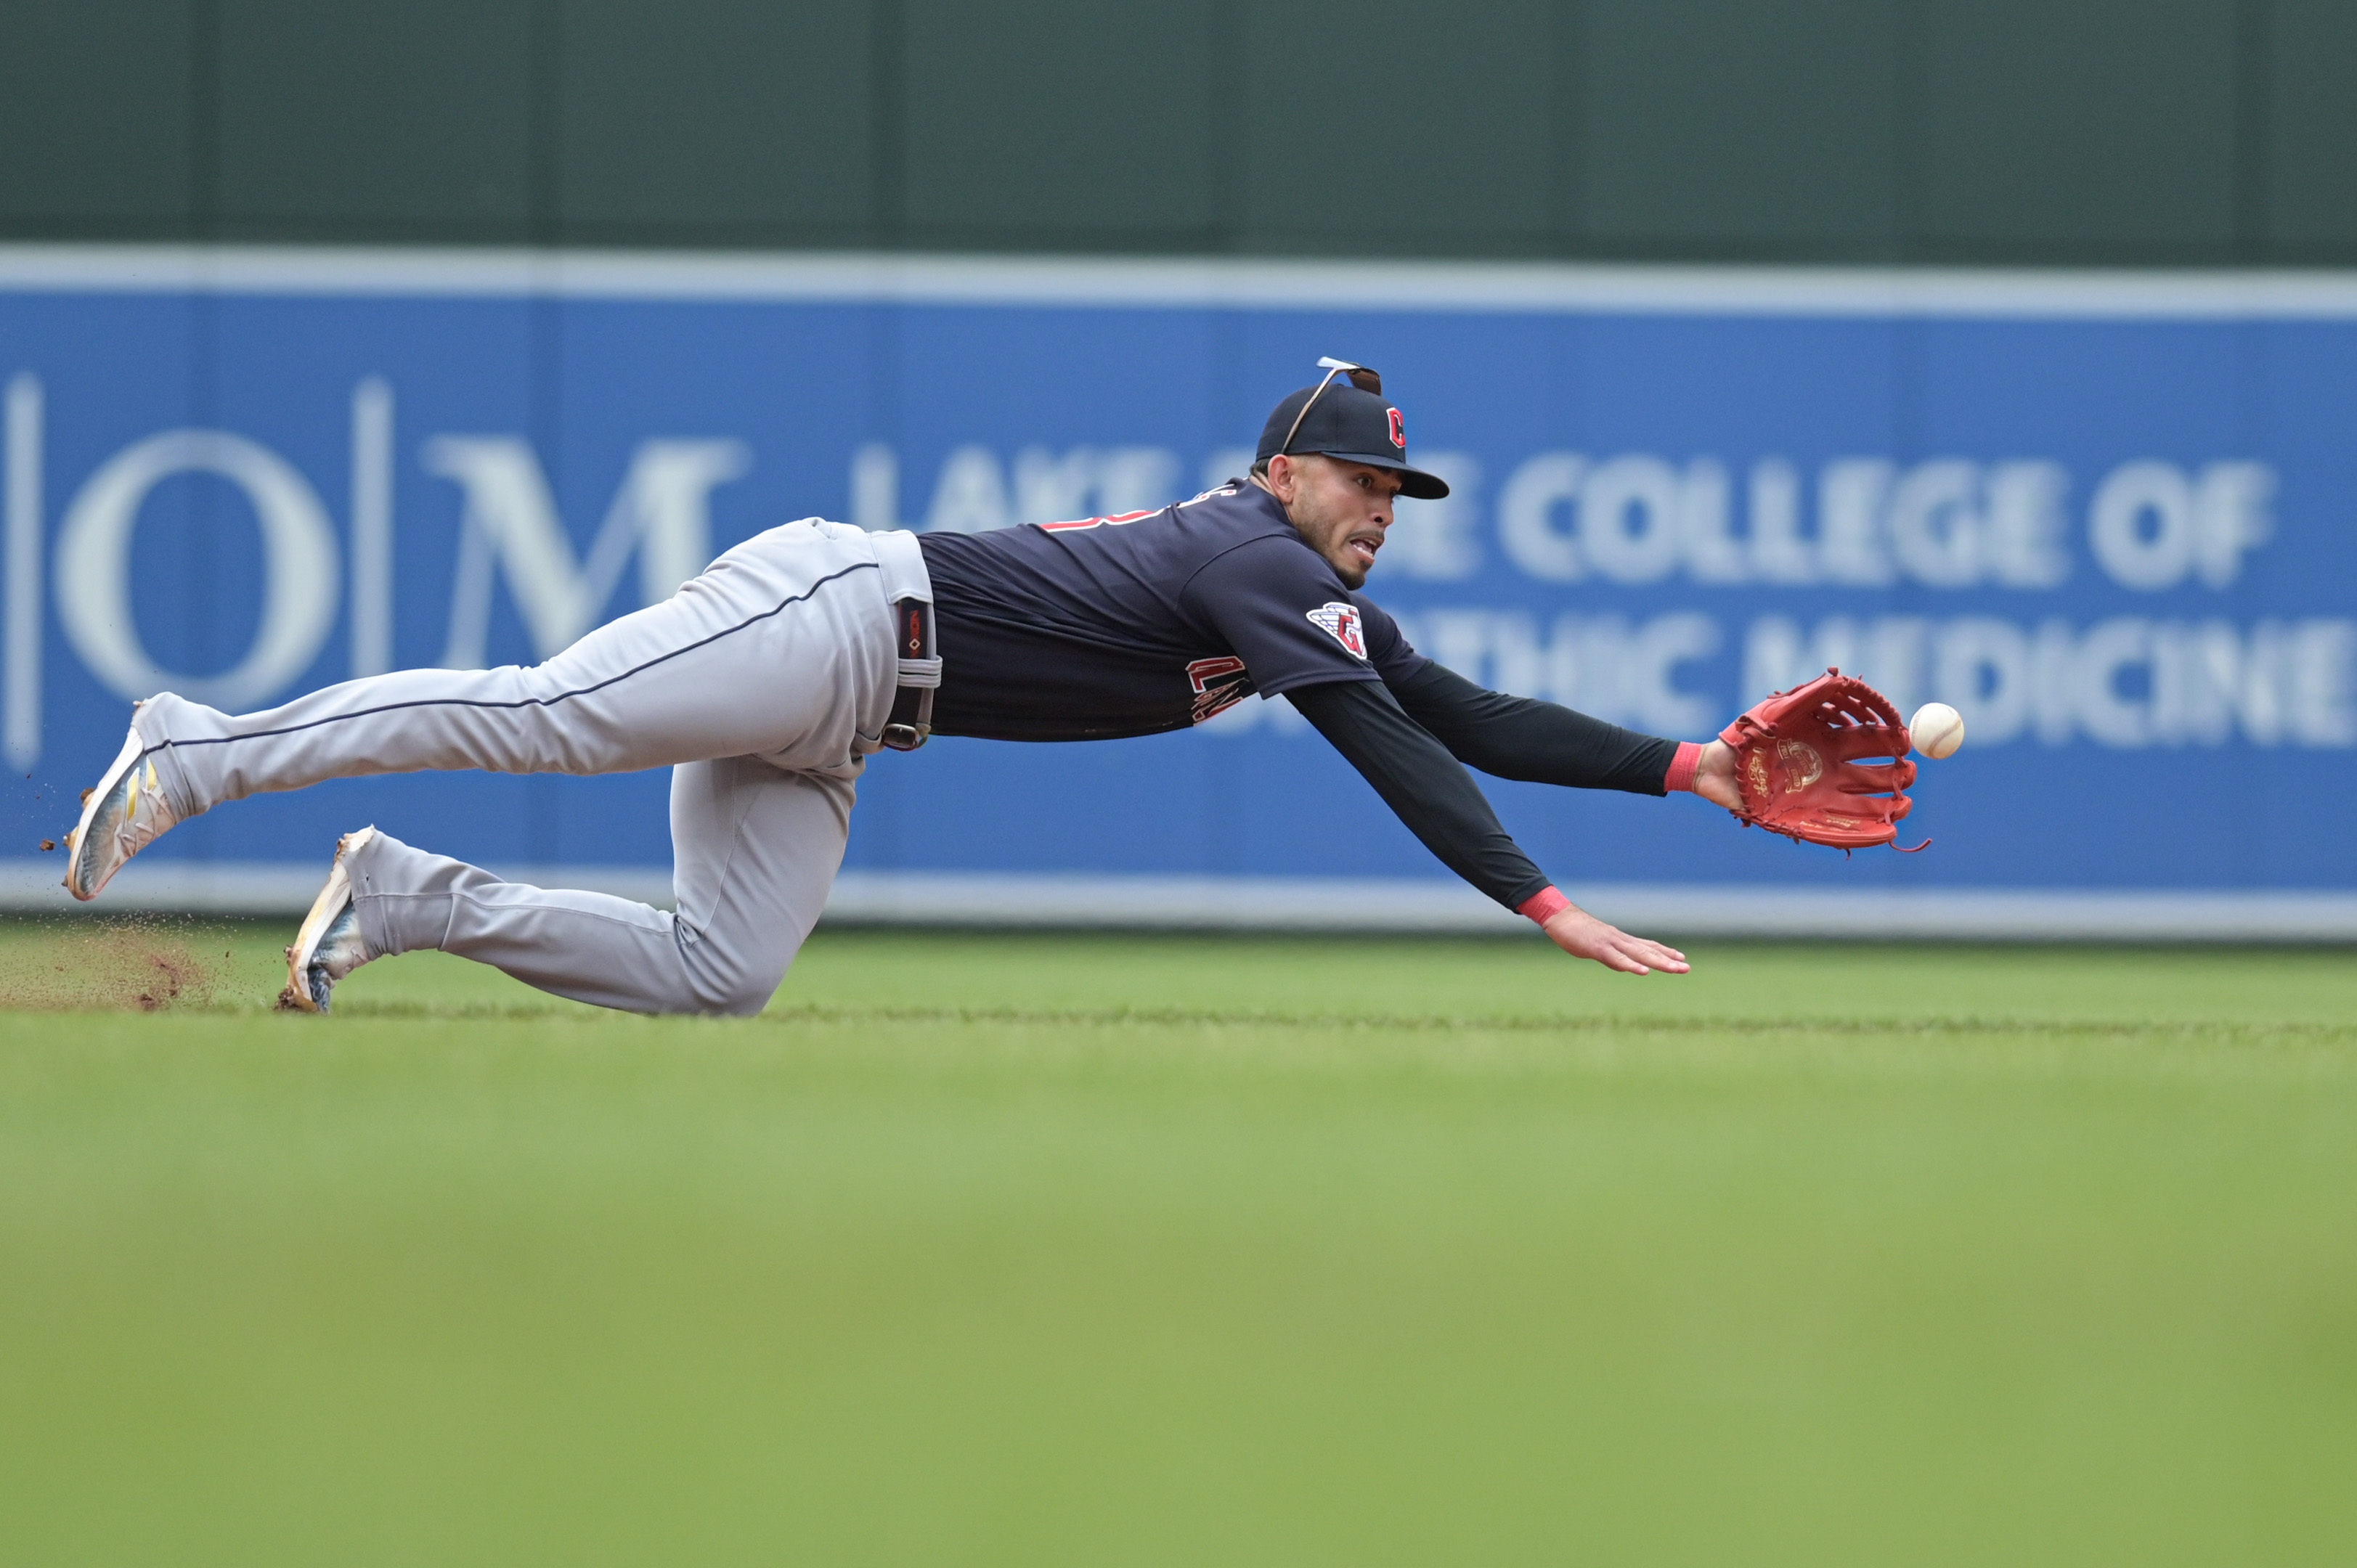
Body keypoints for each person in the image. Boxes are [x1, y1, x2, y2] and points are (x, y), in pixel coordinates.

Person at [62, 357, 1743, 1015]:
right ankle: (200, 747)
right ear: (1287, 474)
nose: (1384, 510)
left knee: (725, 971)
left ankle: (409, 900)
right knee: (548, 713)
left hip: (854, 720)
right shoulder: (1257, 553)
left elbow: (1455, 713)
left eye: (1400, 496)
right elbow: (1389, 745)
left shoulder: (1293, 581)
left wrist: (1695, 771)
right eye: (1366, 483)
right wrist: (1536, 900)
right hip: (844, 618)